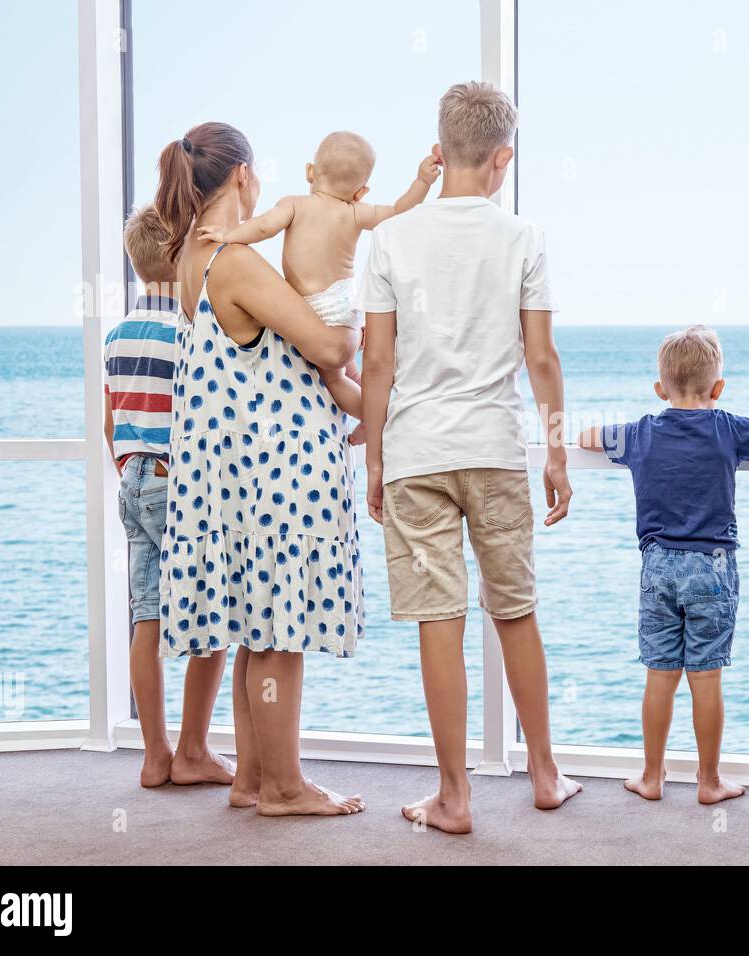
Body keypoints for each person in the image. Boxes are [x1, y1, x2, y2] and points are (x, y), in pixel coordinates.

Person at [358, 82, 580, 834]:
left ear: (440, 149)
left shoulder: (388, 239)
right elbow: (541, 357)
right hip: (492, 447)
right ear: (501, 159)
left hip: (417, 452)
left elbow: (378, 361)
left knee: (438, 622)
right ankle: (545, 774)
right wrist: (555, 450)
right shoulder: (524, 238)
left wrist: (376, 461)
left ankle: (454, 797)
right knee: (515, 612)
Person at [154, 121, 367, 816]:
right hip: (277, 470)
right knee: (280, 633)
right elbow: (328, 349)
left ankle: (252, 777)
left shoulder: (193, 258)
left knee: (259, 628)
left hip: (241, 477)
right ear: (242, 176)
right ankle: (284, 785)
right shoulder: (238, 262)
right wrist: (352, 313)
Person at [579, 325, 749, 804]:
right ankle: (708, 781)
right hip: (713, 567)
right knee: (706, 677)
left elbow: (587, 436)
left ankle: (652, 776)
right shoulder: (728, 427)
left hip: (657, 566)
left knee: (659, 674)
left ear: (660, 389)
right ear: (718, 388)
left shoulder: (640, 432)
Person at [103, 204, 233, 789]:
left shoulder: (117, 335)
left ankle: (154, 755)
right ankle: (194, 750)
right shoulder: (190, 331)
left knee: (147, 617)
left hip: (130, 479)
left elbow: (111, 425)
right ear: (181, 257)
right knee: (214, 617)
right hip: (175, 483)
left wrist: (129, 471)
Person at [196, 131, 441, 419]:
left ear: (310, 172)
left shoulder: (294, 204)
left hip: (308, 307)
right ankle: (378, 416)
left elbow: (262, 227)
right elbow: (399, 213)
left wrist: (228, 234)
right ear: (361, 192)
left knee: (335, 381)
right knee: (349, 375)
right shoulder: (356, 212)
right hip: (342, 308)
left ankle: (380, 419)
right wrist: (423, 182)